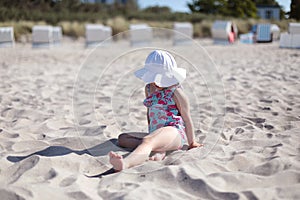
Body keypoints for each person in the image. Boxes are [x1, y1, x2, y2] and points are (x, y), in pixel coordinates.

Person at [109, 50, 202, 171]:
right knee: (122, 138)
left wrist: (192, 142)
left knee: (148, 141)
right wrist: (151, 132)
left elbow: (187, 119)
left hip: (174, 131)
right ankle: (158, 149)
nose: (156, 82)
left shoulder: (176, 92)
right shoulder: (148, 88)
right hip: (156, 131)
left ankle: (125, 164)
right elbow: (150, 114)